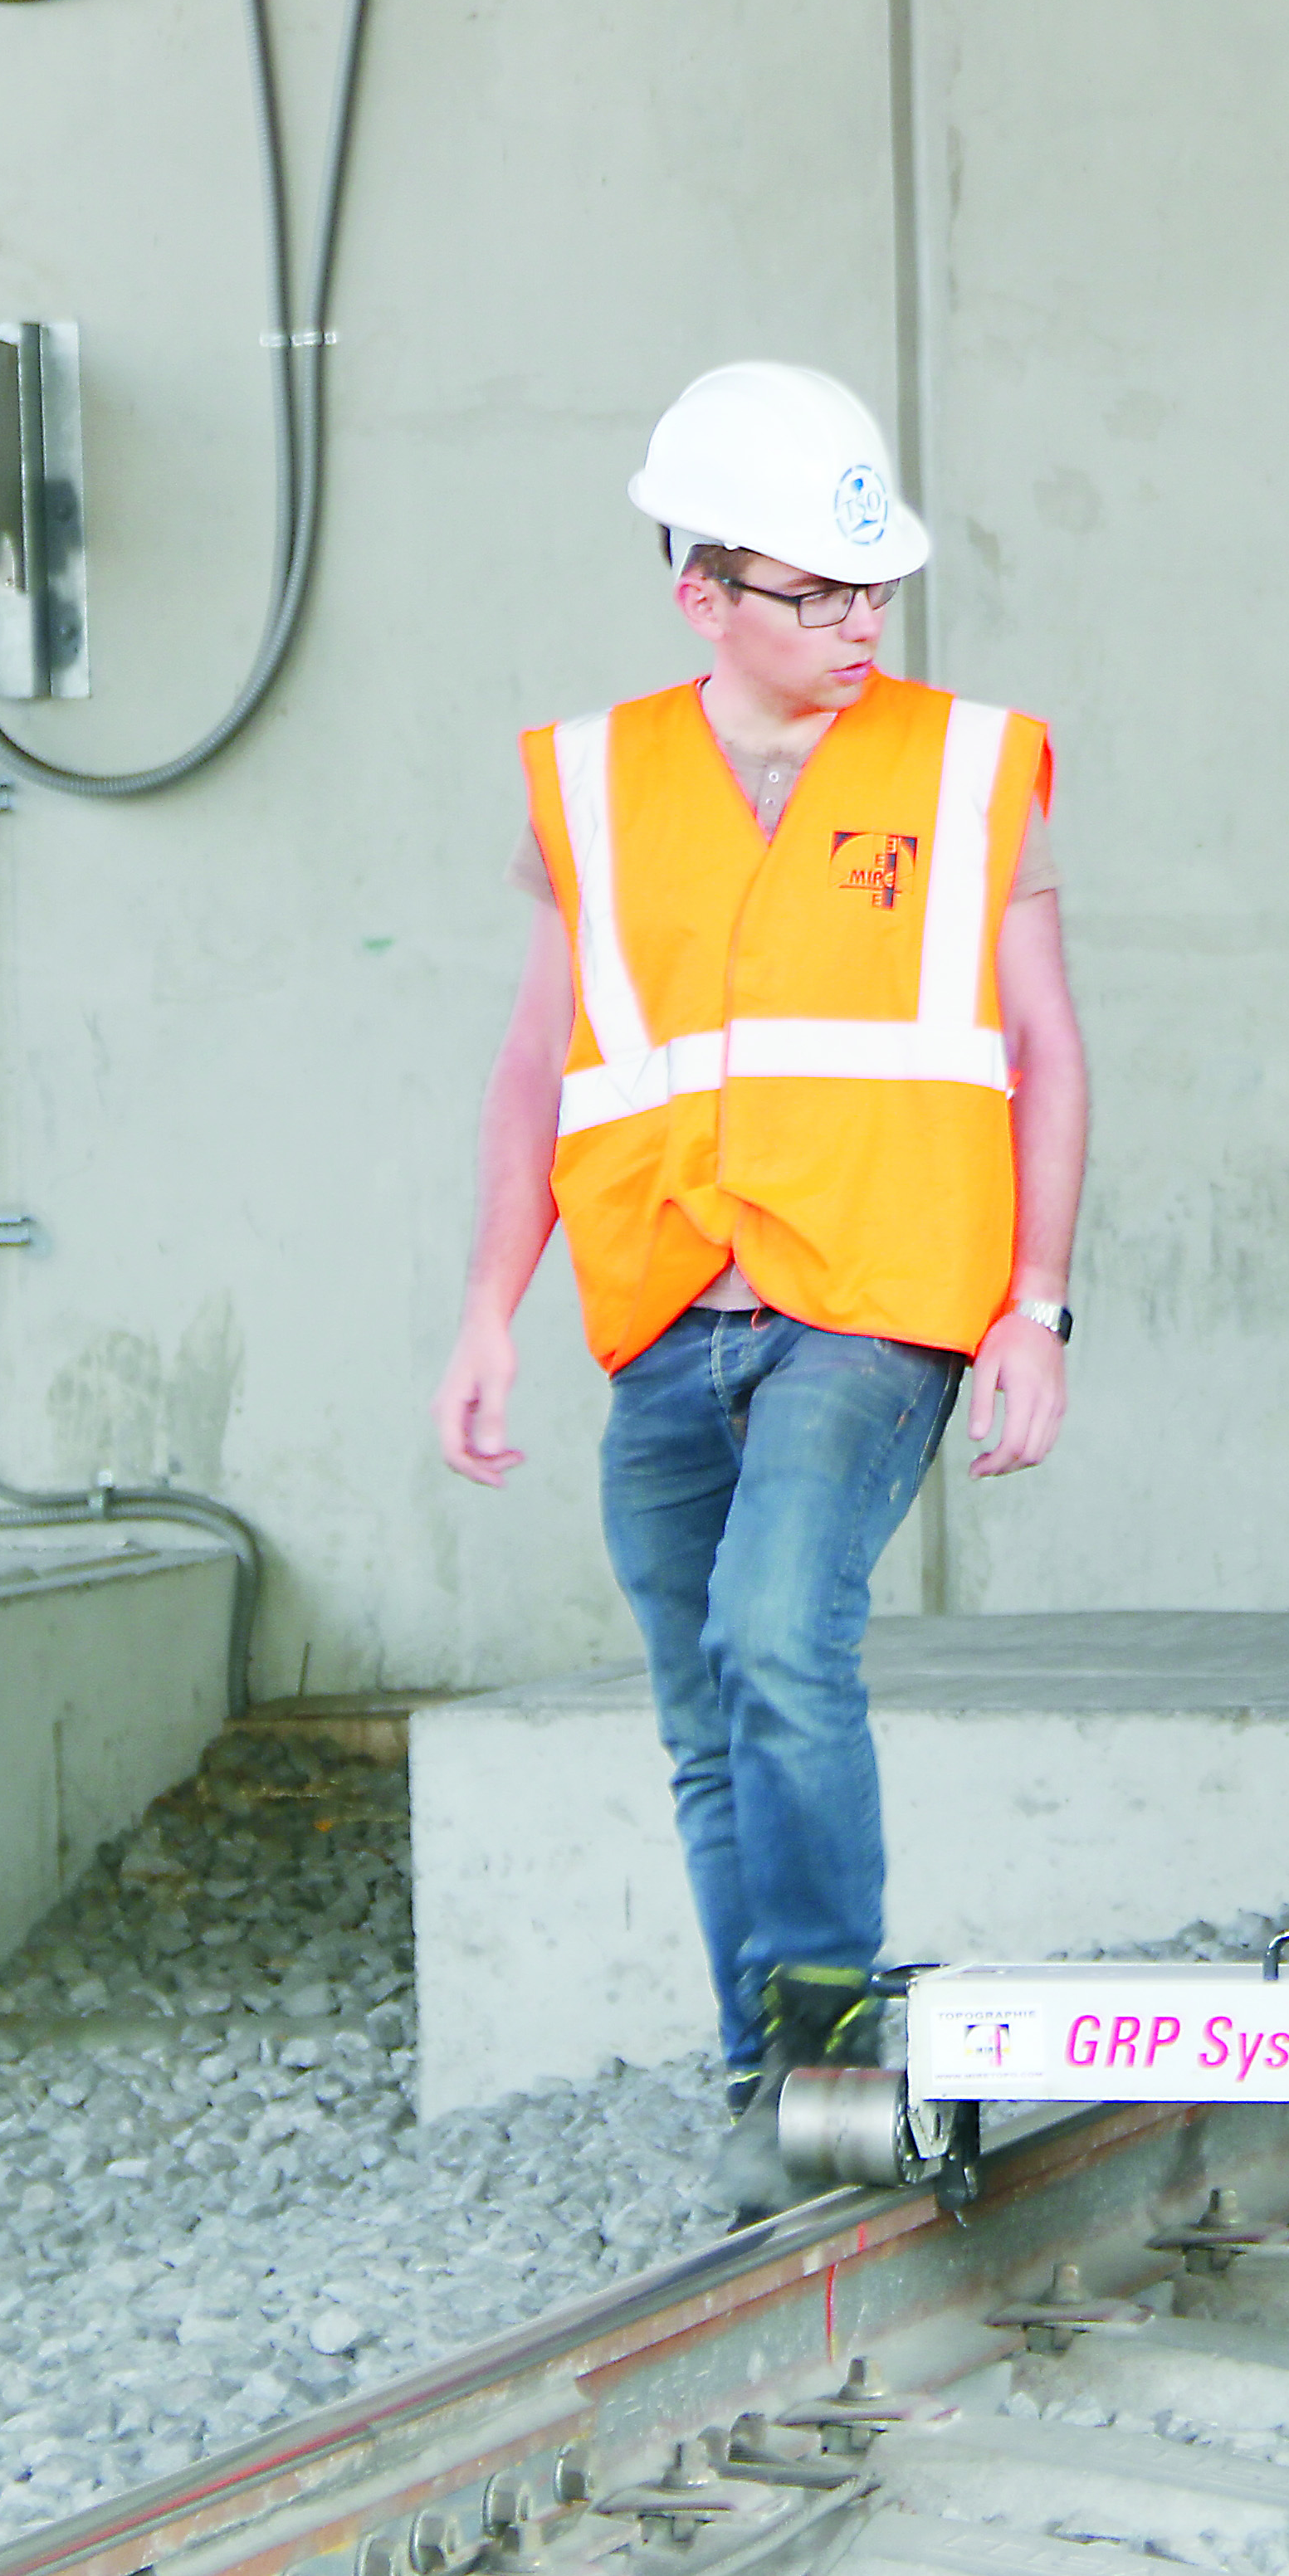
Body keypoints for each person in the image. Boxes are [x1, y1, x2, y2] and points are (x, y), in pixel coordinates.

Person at [430, 361, 1090, 2227]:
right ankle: (769, 2073)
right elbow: (534, 1063)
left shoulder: (970, 766)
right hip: (665, 1305)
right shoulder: (594, 782)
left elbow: (1046, 1045)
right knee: (710, 1703)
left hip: (878, 1299)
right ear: (699, 590)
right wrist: (490, 1307)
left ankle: (831, 2033)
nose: (860, 622)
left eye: (874, 586)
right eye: (816, 591)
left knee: (780, 1629)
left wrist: (1034, 1305)